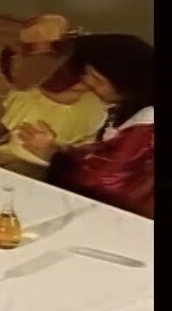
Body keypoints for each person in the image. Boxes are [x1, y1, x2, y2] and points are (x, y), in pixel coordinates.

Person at [20, 33, 154, 218]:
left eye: (97, 79)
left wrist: (53, 155)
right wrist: (57, 150)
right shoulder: (127, 107)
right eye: (87, 74)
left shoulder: (147, 127)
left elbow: (104, 181)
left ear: (127, 85)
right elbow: (106, 156)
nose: (89, 82)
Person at [0, 15, 106, 179]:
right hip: (8, 154)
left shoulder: (90, 105)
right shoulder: (29, 89)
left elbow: (86, 159)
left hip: (49, 169)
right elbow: (7, 113)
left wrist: (53, 150)